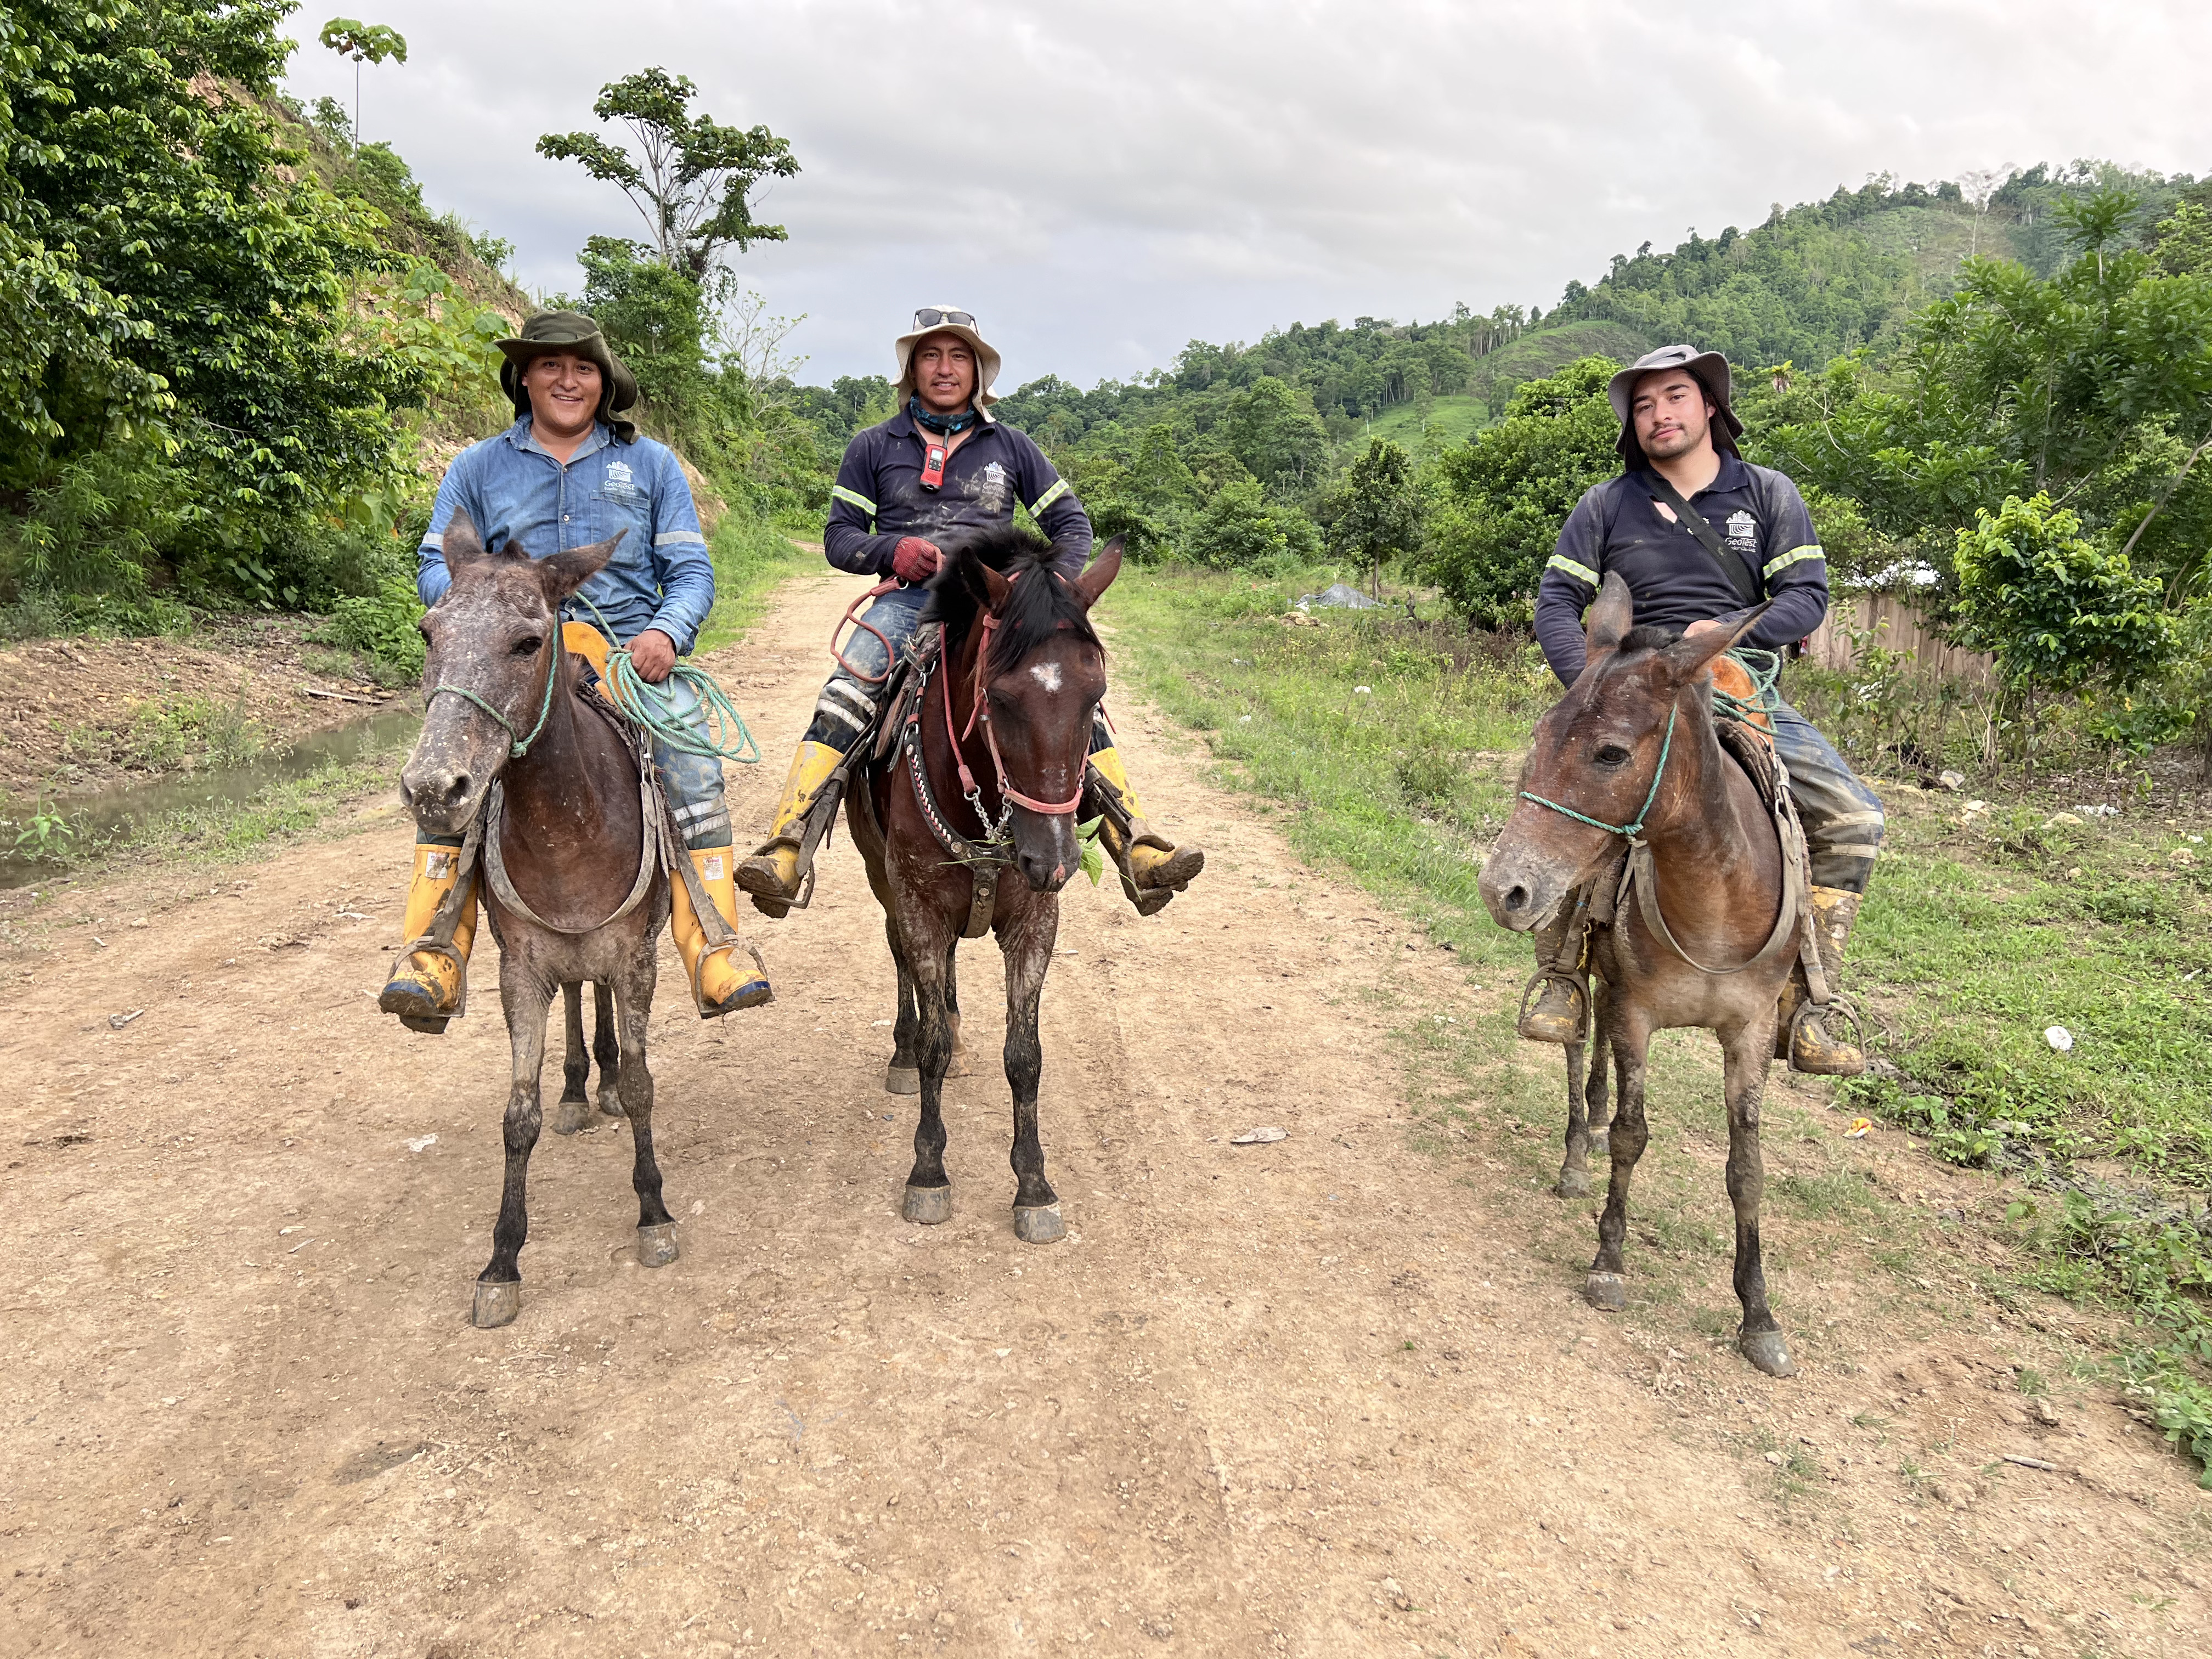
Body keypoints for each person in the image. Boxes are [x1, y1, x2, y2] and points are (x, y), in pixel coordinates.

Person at [737, 305, 1204, 917]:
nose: (945, 368)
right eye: (931, 355)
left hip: (997, 608)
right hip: (909, 602)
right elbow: (839, 537)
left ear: (978, 372)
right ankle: (788, 845)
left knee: (1065, 699)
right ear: (912, 369)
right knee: (845, 694)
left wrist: (1043, 593)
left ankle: (1134, 845)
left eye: (959, 356)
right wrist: (891, 550)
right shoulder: (873, 445)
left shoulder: (1012, 446)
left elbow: (1071, 525)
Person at [379, 309, 769, 1030]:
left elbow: (690, 572)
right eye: (550, 365)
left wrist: (667, 632)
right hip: (514, 657)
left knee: (691, 760)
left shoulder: (651, 465)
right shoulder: (477, 467)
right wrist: (491, 602)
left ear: (604, 382)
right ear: (524, 377)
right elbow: (437, 566)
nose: (567, 380)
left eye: (583, 367)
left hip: (624, 659)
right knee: (446, 763)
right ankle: (433, 953)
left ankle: (715, 946)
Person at [1523, 343, 1883, 1075]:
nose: (1660, 414)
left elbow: (1806, 598)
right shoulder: (1605, 504)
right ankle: (1564, 974)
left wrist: (1721, 634)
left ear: (1710, 405)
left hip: (1738, 684)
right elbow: (1557, 602)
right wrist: (1592, 688)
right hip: (1631, 699)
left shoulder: (1769, 494)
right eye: (1644, 404)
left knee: (1854, 819)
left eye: (1676, 397)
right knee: (1562, 801)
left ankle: (1808, 998)